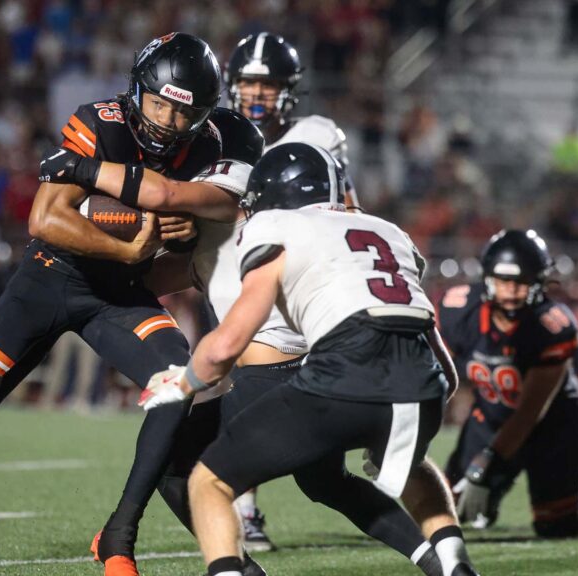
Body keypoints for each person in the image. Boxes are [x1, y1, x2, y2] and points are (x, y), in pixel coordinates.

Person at [49, 108, 454, 575]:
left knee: (176, 457)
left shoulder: (245, 211)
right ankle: (440, 563)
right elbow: (154, 276)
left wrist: (86, 178)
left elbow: (174, 196)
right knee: (328, 483)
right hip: (323, 371)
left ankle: (229, 566)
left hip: (277, 376)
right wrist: (115, 257)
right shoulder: (228, 232)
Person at [0, 32, 222, 576]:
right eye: (159, 104)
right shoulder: (101, 119)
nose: (167, 123)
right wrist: (126, 245)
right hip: (50, 277)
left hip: (119, 295)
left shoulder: (208, 150)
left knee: (178, 381)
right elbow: (45, 220)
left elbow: (193, 251)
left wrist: (184, 235)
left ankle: (120, 530)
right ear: (139, 92)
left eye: (183, 114)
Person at [139, 142, 480, 576]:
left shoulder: (275, 226)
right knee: (406, 465)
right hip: (423, 381)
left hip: (342, 369)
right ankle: (452, 564)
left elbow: (227, 344)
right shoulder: (388, 231)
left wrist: (182, 382)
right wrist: (405, 423)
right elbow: (443, 368)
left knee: (208, 481)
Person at [224, 30, 354, 549]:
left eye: (267, 83)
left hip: (306, 274)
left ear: (289, 88)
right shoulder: (222, 134)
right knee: (243, 387)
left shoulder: (317, 133)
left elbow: (347, 203)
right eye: (247, 83)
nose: (255, 94)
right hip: (242, 269)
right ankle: (245, 508)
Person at [440, 230, 578, 538]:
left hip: (553, 428)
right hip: (490, 418)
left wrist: (486, 466)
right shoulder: (458, 309)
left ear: (539, 282)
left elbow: (530, 411)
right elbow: (438, 372)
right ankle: (490, 497)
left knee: (556, 526)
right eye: (504, 281)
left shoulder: (552, 325)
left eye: (520, 283)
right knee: (445, 507)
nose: (511, 292)